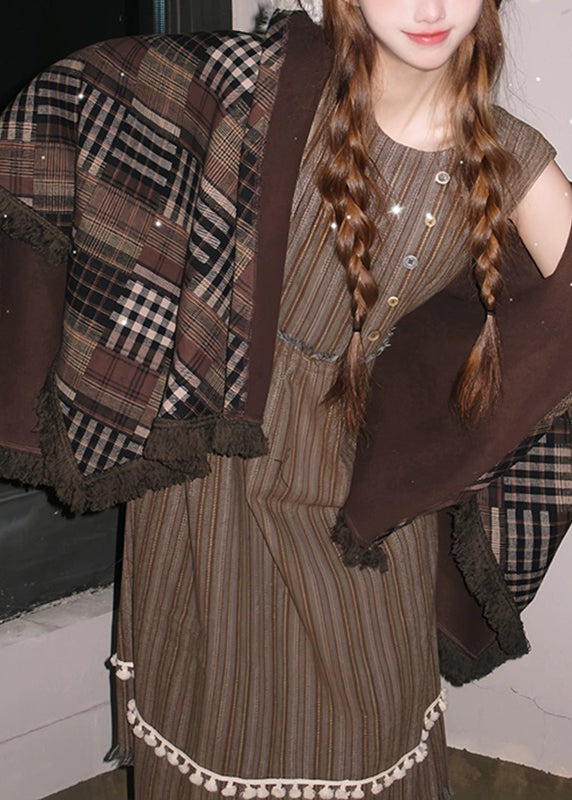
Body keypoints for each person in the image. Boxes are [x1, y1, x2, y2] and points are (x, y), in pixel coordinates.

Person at [0, 1, 571, 798]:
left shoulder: (510, 156)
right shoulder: (263, 87)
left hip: (359, 472)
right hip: (219, 457)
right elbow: (74, 102)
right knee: (220, 703)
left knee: (370, 707)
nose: (430, 7)